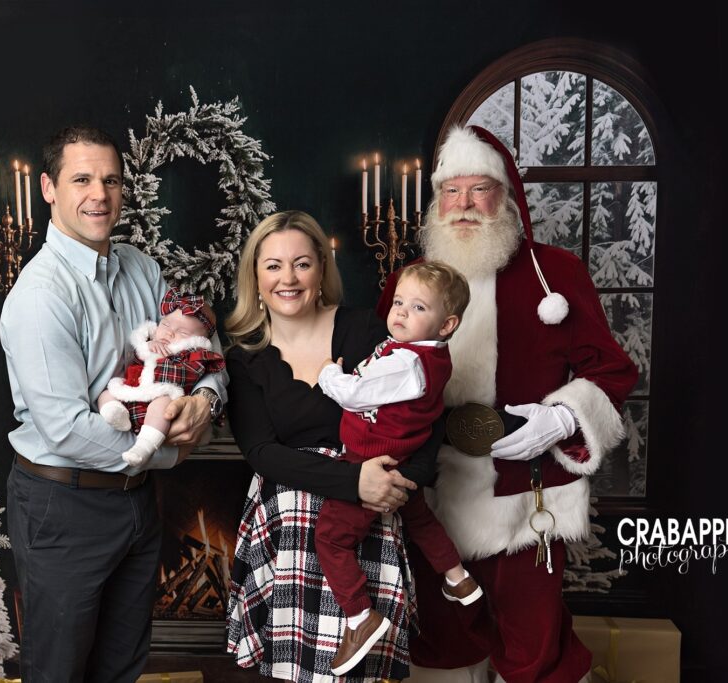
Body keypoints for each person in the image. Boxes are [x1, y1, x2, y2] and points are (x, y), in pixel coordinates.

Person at [376, 125, 638, 683]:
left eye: (480, 190)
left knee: (536, 643)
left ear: (507, 197)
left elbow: (612, 369)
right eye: (451, 191)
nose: (464, 205)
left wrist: (563, 416)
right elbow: (376, 371)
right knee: (443, 638)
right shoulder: (408, 282)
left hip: (529, 494)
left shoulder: (557, 274)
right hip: (431, 494)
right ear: (437, 201)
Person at [0, 125, 226, 683]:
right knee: (59, 672)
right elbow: (66, 429)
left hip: (136, 502)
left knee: (122, 669)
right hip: (62, 504)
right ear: (48, 187)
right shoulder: (39, 295)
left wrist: (205, 401)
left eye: (111, 180)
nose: (99, 194)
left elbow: (198, 338)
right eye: (82, 179)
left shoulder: (141, 269)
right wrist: (173, 453)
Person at [224, 210, 445, 683]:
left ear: (322, 268)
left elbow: (426, 410)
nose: (289, 278)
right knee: (292, 669)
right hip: (290, 528)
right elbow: (261, 451)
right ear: (255, 277)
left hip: (371, 513)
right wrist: (354, 481)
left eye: (302, 263)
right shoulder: (244, 358)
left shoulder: (366, 330)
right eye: (273, 265)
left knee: (360, 674)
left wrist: (404, 482)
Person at [315, 261, 482, 676]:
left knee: (331, 539)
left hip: (370, 459)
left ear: (447, 325)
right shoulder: (428, 355)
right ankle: (459, 577)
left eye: (419, 307)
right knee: (419, 518)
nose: (402, 312)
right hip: (403, 456)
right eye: (399, 301)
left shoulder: (406, 362)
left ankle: (359, 617)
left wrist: (328, 373)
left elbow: (354, 395)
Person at [97, 288, 226, 466]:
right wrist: (148, 346)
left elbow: (194, 374)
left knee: (163, 406)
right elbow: (134, 356)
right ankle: (114, 414)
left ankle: (144, 447)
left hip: (161, 396)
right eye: (165, 325)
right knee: (108, 392)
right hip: (134, 393)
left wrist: (173, 355)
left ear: (198, 340)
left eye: (183, 333)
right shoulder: (149, 342)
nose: (169, 333)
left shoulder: (192, 355)